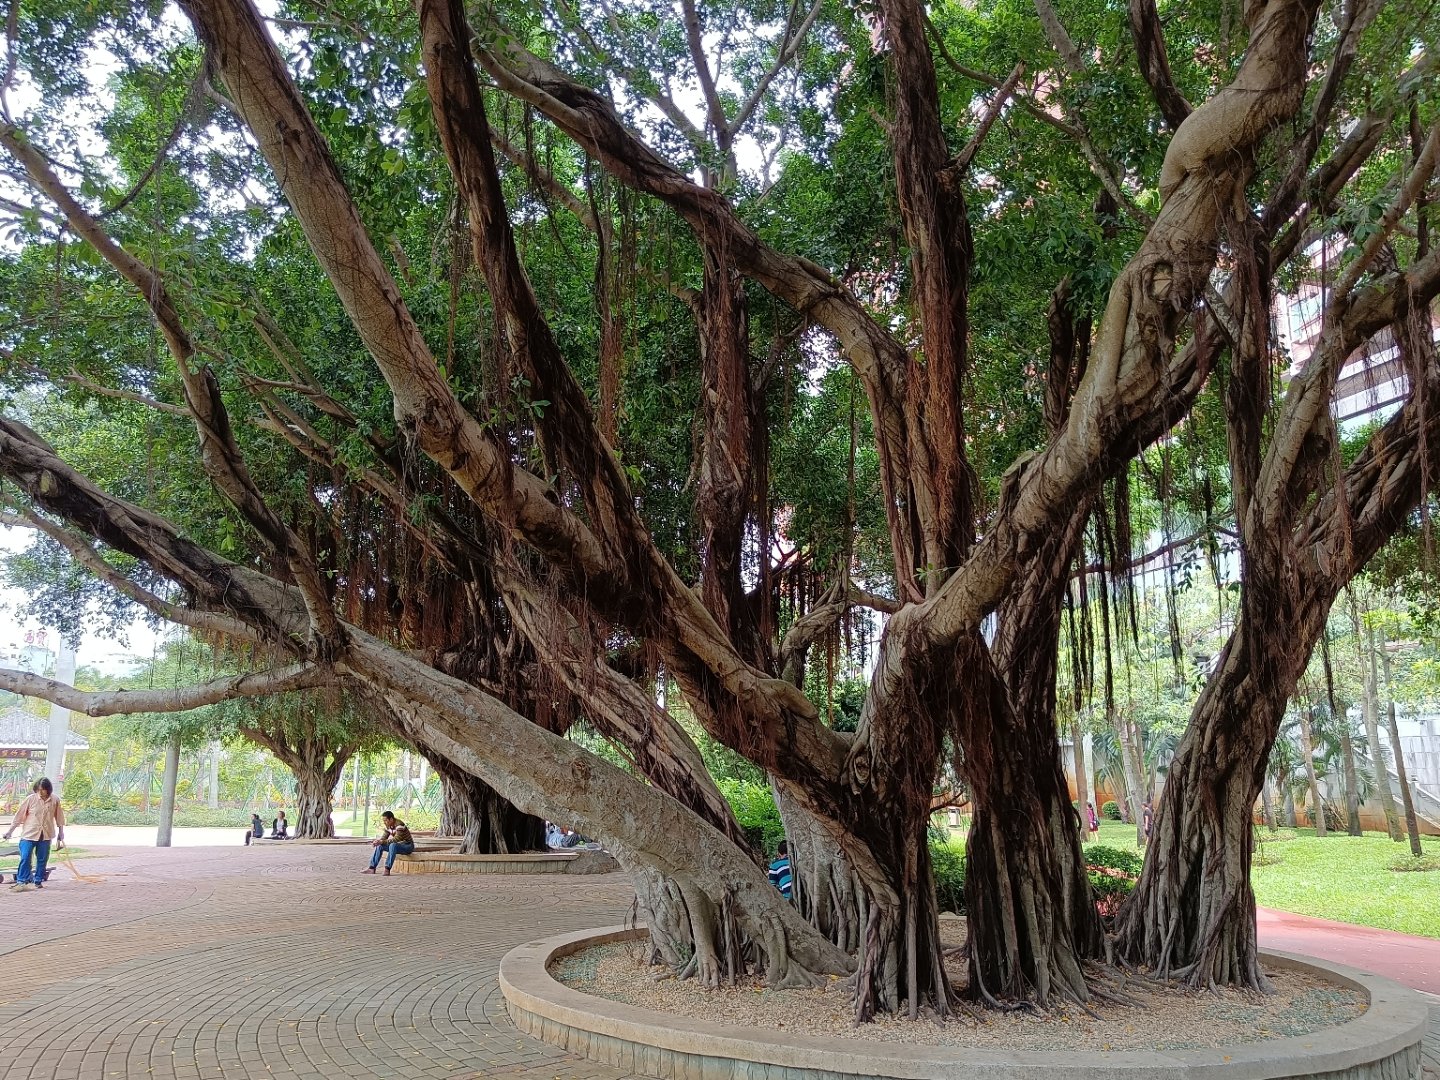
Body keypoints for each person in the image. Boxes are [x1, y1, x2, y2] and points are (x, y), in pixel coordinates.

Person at [2, 777, 65, 892]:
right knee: (25, 857)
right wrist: (9, 832)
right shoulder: (30, 799)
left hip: (45, 835)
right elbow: (18, 817)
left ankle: (38, 880)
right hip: (28, 835)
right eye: (38, 790)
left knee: (42, 859)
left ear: (48, 789)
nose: (40, 792)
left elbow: (59, 817)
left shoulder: (55, 800)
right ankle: (21, 881)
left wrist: (61, 833)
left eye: (43, 790)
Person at [362, 811, 414, 876]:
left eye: (386, 820)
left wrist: (382, 841)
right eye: (383, 820)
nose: (384, 822)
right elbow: (384, 837)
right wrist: (378, 842)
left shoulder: (399, 825)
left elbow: (396, 839)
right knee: (380, 845)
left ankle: (387, 869)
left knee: (393, 845)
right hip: (398, 846)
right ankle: (372, 868)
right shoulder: (388, 825)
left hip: (407, 846)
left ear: (391, 819)